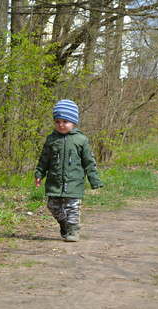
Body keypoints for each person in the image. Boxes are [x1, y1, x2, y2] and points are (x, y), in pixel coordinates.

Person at [35, 99, 103, 242]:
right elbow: (44, 159)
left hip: (74, 181)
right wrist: (39, 174)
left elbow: (89, 162)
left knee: (72, 208)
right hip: (55, 181)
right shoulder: (51, 140)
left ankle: (73, 231)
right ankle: (64, 224)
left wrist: (94, 179)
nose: (61, 125)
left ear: (73, 122)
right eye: (57, 121)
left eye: (65, 121)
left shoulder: (81, 139)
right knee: (52, 206)